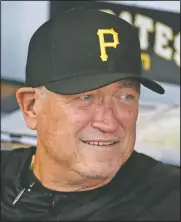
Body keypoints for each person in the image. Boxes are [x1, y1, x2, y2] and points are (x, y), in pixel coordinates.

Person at [1, 8, 180, 221]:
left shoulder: (169, 202)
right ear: (31, 107)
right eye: (85, 97)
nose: (109, 123)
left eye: (125, 96)